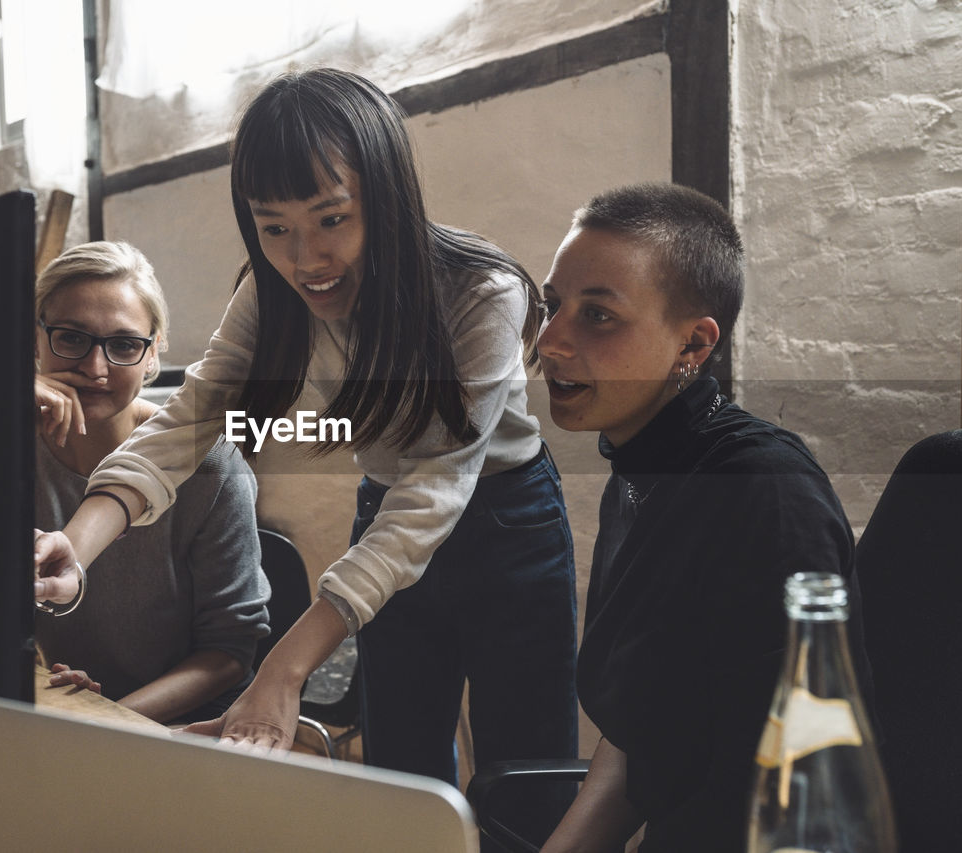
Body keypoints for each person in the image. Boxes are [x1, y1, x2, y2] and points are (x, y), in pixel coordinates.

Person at [32, 68, 578, 842]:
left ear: (385, 199)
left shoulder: (480, 293)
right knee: (402, 777)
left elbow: (433, 495)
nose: (306, 257)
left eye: (332, 219)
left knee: (524, 777)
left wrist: (281, 671)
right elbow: (186, 420)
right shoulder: (269, 294)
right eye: (274, 226)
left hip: (505, 523)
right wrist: (74, 547)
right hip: (385, 506)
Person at [534, 183, 856, 852]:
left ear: (694, 343)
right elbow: (636, 740)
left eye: (597, 315)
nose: (550, 342)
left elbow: (800, 790)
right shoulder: (640, 475)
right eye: (552, 305)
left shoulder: (762, 491)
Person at [32, 240, 270, 725]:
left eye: (123, 345)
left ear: (153, 352)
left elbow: (228, 652)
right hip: (67, 709)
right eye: (72, 338)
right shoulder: (4, 453)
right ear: (35, 340)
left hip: (188, 722)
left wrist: (111, 720)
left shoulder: (210, 466)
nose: (95, 368)